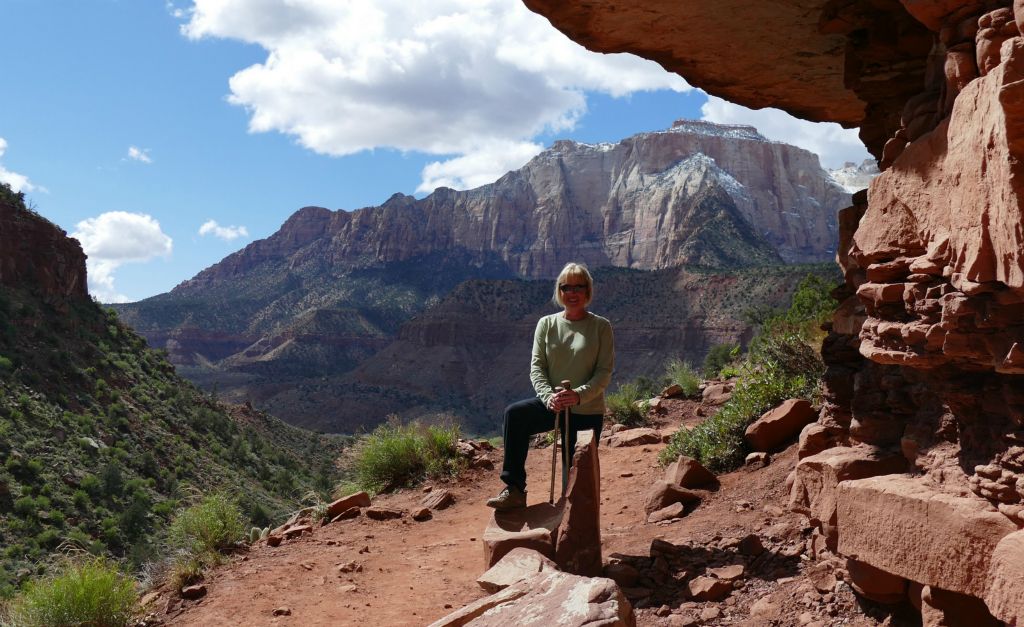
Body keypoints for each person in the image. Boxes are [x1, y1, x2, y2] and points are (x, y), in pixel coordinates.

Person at [486, 262, 614, 510]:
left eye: (579, 287)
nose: (573, 293)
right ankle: (514, 490)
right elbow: (537, 367)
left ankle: (579, 527)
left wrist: (578, 395)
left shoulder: (601, 327)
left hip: (585, 410)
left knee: (575, 476)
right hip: (554, 404)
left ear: (588, 291)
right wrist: (548, 398)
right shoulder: (546, 324)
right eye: (566, 287)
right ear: (559, 291)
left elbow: (604, 372)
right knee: (515, 415)